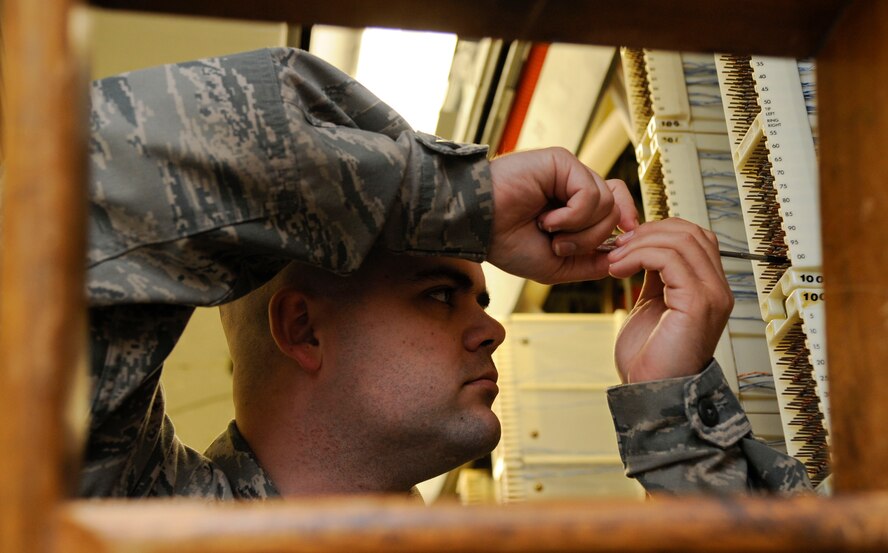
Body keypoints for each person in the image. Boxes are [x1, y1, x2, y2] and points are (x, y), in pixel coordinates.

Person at [80, 47, 811, 499]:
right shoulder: (139, 525)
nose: (492, 327)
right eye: (439, 295)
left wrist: (674, 419)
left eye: (478, 297)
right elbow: (100, 171)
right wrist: (458, 200)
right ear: (302, 328)